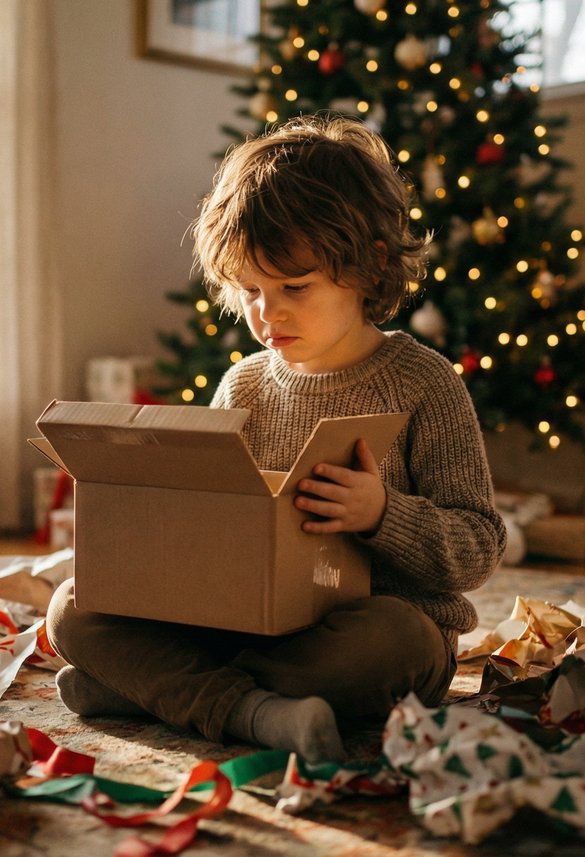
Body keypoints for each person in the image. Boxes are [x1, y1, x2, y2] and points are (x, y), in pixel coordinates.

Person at [46, 114, 505, 763]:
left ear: (370, 266)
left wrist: (382, 514)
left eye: (295, 286)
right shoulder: (244, 388)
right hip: (244, 627)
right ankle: (255, 711)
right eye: (250, 290)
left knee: (395, 639)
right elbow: (204, 529)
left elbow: (480, 547)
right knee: (72, 607)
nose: (267, 312)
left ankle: (163, 689)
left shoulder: (423, 383)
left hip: (363, 636)